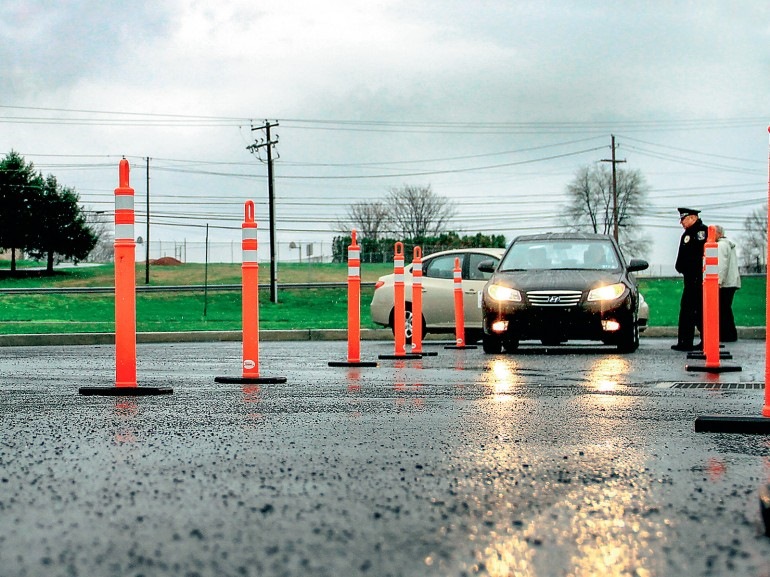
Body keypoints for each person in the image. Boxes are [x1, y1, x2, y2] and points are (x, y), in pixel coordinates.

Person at [672, 207, 708, 351]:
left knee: (696, 310)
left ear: (693, 218)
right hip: (689, 279)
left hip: (697, 280)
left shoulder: (701, 232)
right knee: (689, 310)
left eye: (683, 219)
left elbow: (698, 256)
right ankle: (685, 341)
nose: (681, 222)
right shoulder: (687, 234)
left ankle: (703, 340)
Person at [715, 225, 741, 342]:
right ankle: (730, 333)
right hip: (732, 282)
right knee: (726, 309)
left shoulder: (720, 246)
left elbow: (721, 265)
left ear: (719, 234)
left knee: (722, 309)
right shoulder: (728, 245)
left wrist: (719, 281)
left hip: (725, 283)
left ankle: (726, 334)